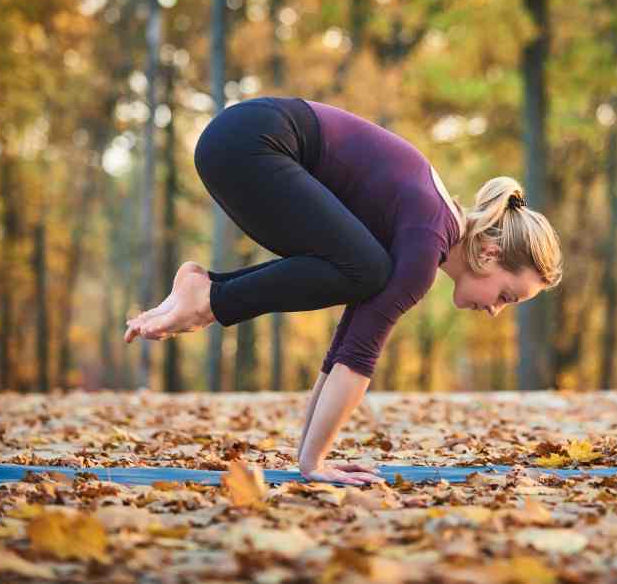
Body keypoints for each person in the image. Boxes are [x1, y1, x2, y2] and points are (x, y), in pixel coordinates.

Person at [124, 96, 563, 485]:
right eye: (506, 296)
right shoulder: (426, 242)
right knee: (367, 270)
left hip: (238, 141)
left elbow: (343, 350)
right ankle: (208, 296)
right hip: (251, 144)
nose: (495, 312)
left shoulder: (422, 231)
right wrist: (316, 462)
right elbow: (359, 359)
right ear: (487, 254)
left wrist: (309, 456)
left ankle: (206, 290)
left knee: (367, 269)